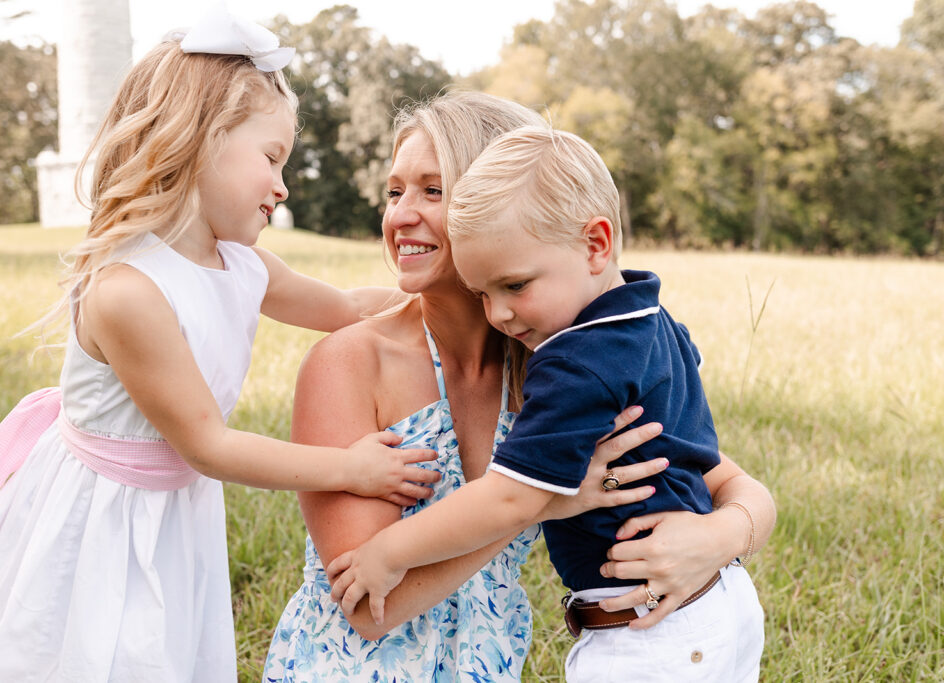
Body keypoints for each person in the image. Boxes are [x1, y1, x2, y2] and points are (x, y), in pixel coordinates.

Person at [0, 7, 439, 681]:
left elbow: (345, 308)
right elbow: (209, 445)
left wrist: (450, 295)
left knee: (164, 647)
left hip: (175, 508)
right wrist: (352, 468)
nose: (283, 186)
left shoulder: (243, 264)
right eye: (272, 157)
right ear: (199, 140)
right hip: (103, 512)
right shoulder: (128, 288)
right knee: (82, 647)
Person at [264, 91, 775, 681]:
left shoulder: (556, 360)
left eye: (433, 191)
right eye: (394, 190)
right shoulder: (350, 362)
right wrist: (551, 498)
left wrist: (720, 538)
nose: (401, 214)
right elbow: (368, 611)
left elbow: (731, 481)